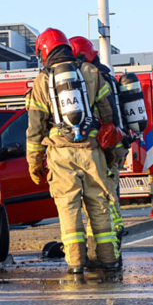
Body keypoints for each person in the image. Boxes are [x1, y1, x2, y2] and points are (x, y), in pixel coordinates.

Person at [26, 28, 119, 274]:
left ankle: (76, 263)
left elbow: (35, 128)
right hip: (92, 150)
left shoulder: (42, 81)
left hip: (60, 154)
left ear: (44, 51)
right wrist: (109, 151)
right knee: (99, 205)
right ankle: (109, 259)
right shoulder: (91, 72)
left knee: (69, 208)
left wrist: (34, 163)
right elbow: (108, 115)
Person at [69, 35, 130, 251]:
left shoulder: (93, 77)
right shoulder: (106, 75)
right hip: (115, 143)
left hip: (105, 145)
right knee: (107, 194)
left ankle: (109, 248)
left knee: (104, 196)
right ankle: (109, 245)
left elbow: (107, 114)